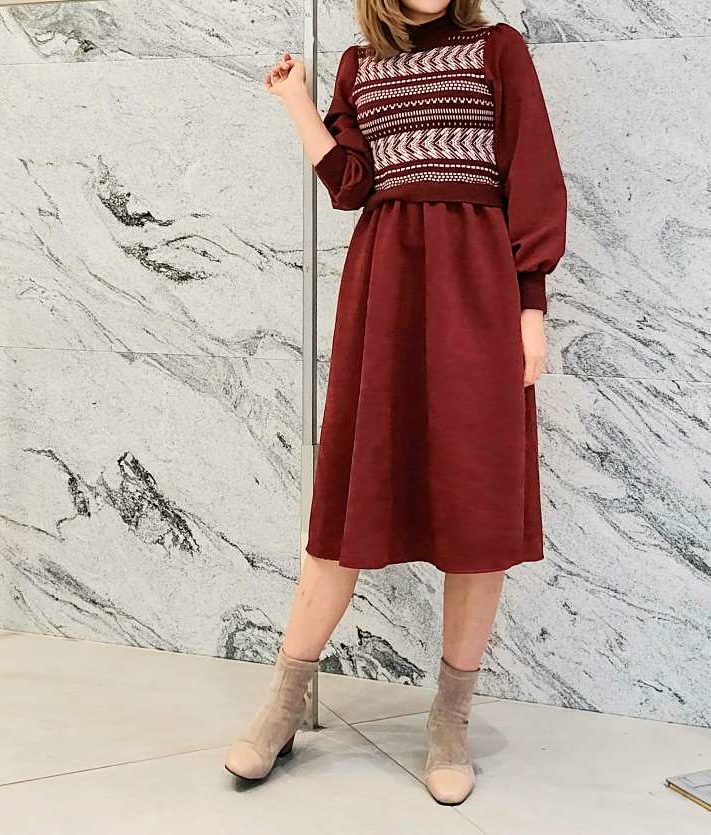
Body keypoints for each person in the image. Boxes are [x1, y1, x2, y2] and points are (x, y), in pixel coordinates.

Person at [225, 0, 567, 806]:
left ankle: (448, 721)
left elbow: (531, 172)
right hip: (383, 292)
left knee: (475, 505)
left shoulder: (497, 49)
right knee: (351, 493)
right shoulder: (358, 64)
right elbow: (351, 184)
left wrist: (530, 308)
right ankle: (281, 704)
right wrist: (296, 100)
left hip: (478, 291)